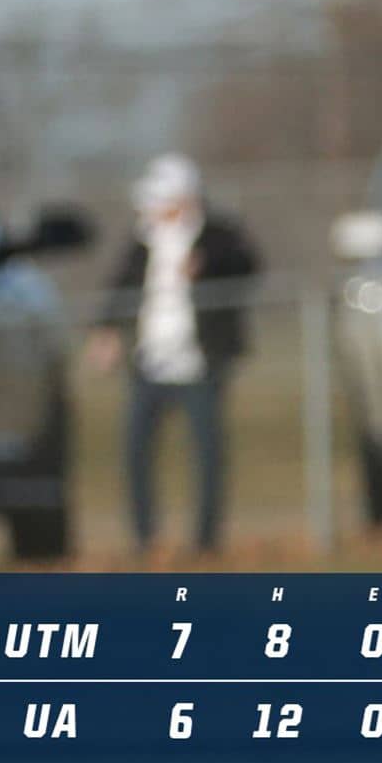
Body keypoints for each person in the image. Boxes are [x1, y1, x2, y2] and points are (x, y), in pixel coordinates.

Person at [85, 153, 259, 556]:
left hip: (201, 363)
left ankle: (205, 542)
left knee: (207, 452)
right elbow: (119, 287)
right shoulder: (142, 241)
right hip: (150, 363)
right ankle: (145, 540)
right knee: (135, 451)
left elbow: (249, 265)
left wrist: (207, 265)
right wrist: (106, 329)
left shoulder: (217, 235)